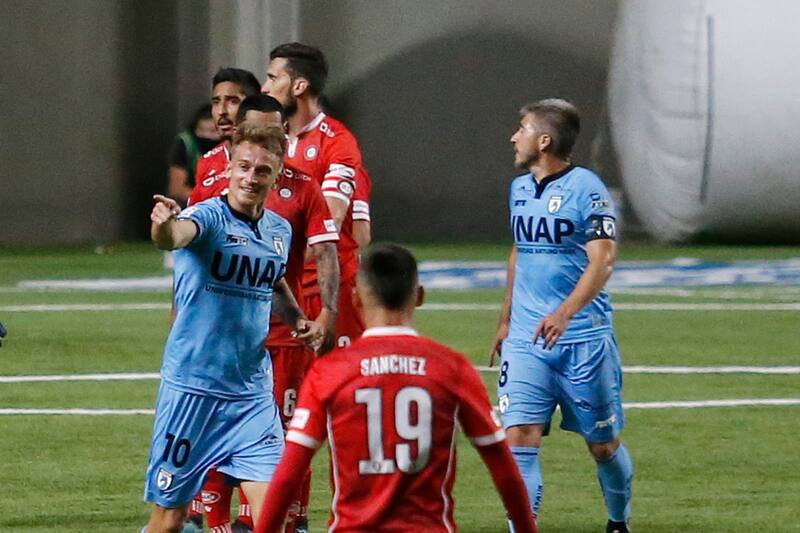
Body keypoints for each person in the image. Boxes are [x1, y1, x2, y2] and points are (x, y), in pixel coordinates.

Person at [254, 244, 538, 533]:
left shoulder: (330, 372)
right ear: (420, 297)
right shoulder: (451, 367)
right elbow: (503, 466)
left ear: (355, 299)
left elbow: (289, 475)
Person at [142, 124, 322, 533]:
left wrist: (297, 320)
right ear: (229, 170)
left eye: (262, 170)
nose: (250, 177)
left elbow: (271, 279)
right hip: (193, 392)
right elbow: (172, 237)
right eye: (243, 166)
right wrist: (163, 223)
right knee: (169, 521)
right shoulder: (205, 218)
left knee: (274, 514)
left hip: (251, 397)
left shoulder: (279, 230)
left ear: (276, 176)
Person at [196, 94, 341, 533]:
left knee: (282, 435)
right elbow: (187, 259)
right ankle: (213, 519)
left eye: (277, 134)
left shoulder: (303, 186)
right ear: (239, 137)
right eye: (258, 133)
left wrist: (326, 313)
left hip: (281, 338)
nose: (269, 142)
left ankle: (274, 519)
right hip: (221, 340)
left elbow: (325, 249)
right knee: (215, 433)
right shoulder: (211, 186)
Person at [488, 99, 633, 533]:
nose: (515, 137)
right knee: (519, 441)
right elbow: (519, 253)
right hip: (527, 342)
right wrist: (506, 320)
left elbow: (603, 261)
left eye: (523, 128)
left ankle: (618, 521)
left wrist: (565, 313)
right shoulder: (519, 189)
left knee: (603, 446)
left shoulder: (588, 189)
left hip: (583, 341)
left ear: (544, 140)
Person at [261, 42, 371, 531]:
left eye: (272, 78)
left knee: (344, 417)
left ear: (298, 85)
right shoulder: (270, 139)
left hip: (332, 298)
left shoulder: (335, 144)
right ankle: (292, 520)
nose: (264, 88)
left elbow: (332, 221)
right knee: (284, 416)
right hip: (284, 296)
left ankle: (350, 519)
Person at [189, 68, 262, 207]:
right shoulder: (206, 162)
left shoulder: (279, 155)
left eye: (233, 101)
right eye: (216, 102)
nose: (221, 111)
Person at [167, 103, 220, 207]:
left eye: (213, 131)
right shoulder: (186, 143)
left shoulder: (230, 146)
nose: (207, 136)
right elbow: (176, 190)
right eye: (202, 130)